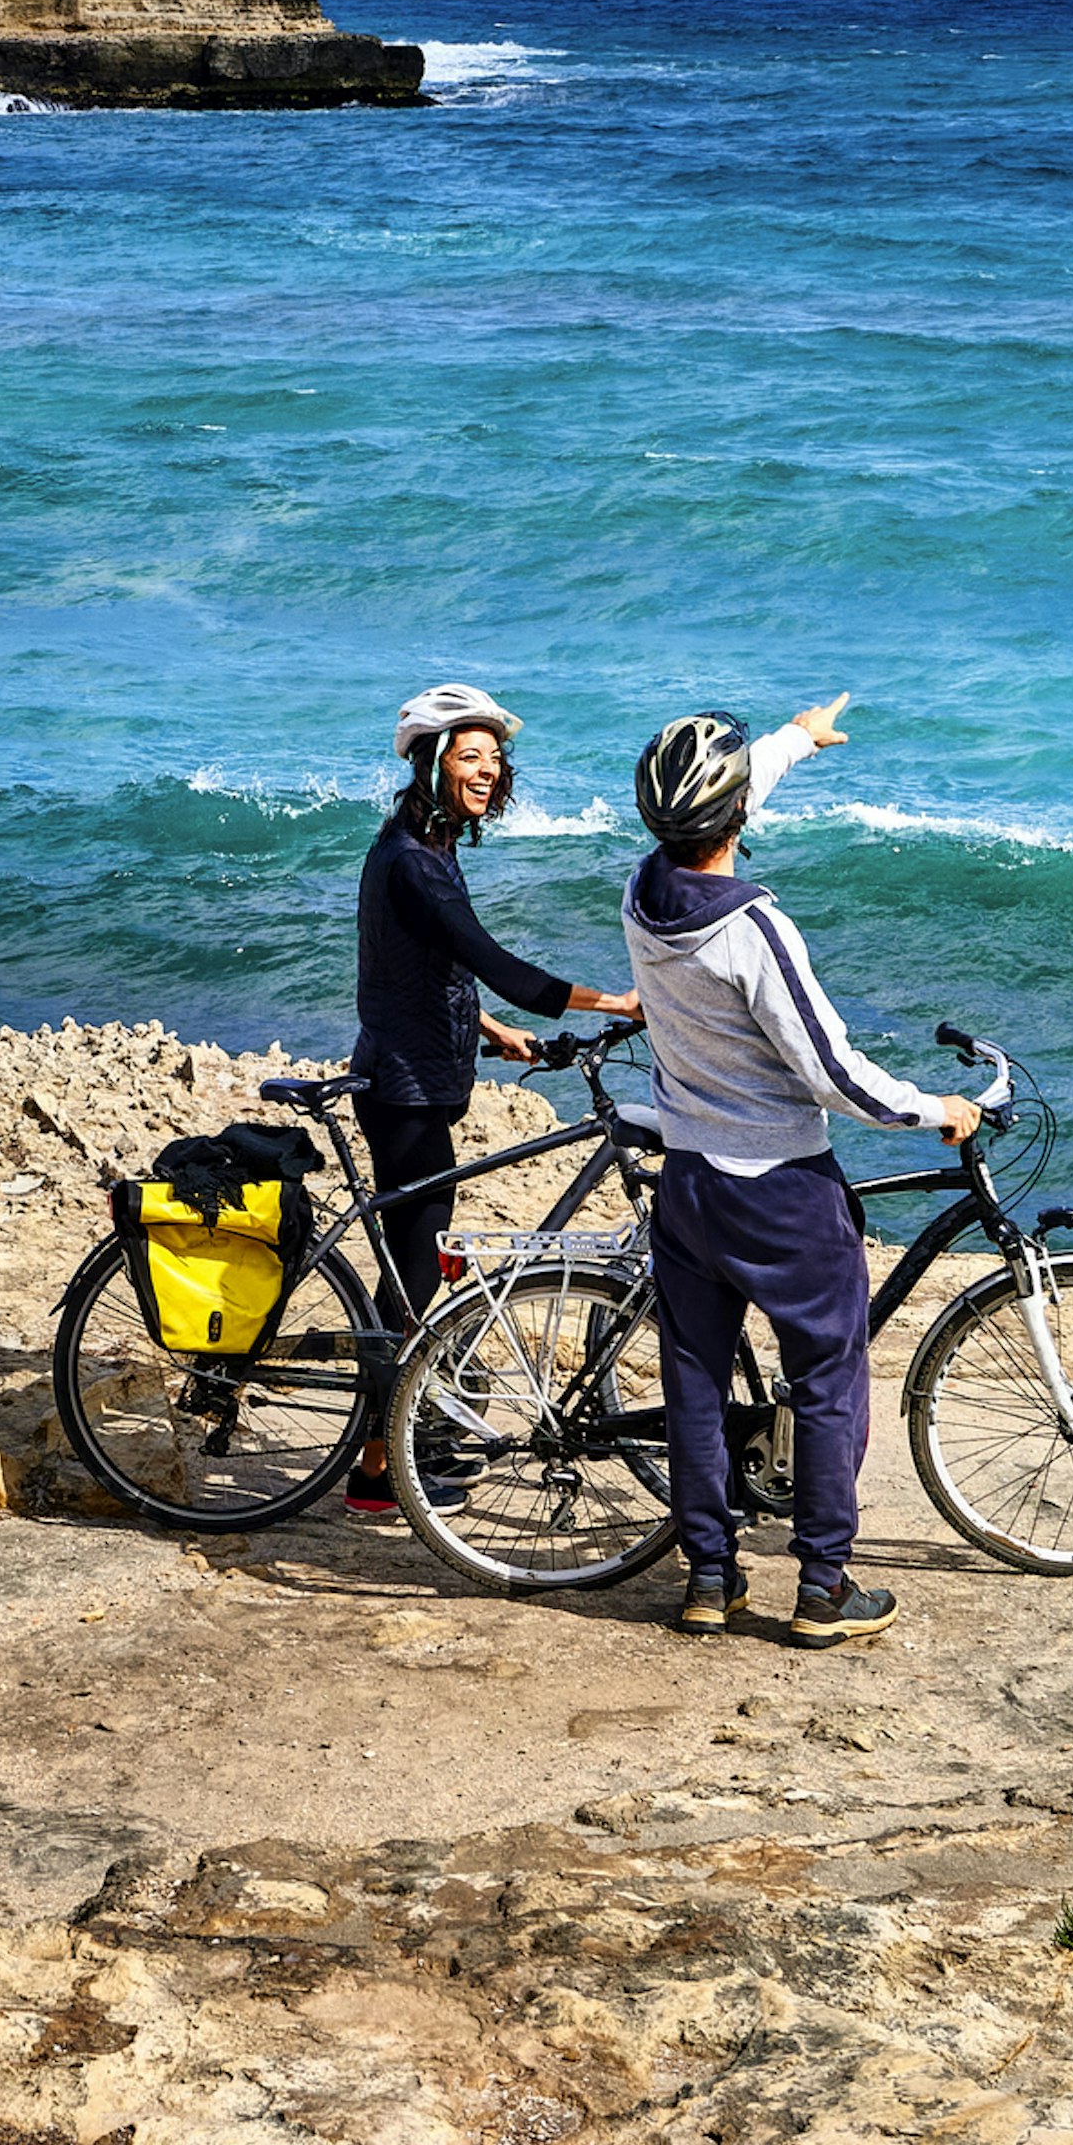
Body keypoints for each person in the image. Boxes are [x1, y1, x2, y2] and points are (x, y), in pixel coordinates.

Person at [621, 694, 978, 1644]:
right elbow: (831, 1073)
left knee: (694, 1378)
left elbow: (719, 810)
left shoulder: (641, 893)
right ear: (735, 818)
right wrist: (932, 1108)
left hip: (688, 1179)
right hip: (778, 1188)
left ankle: (709, 1577)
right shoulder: (755, 929)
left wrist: (792, 742)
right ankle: (823, 1584)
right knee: (826, 1374)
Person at [351, 684, 641, 1510]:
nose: (487, 769)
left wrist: (489, 1032)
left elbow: (415, 968)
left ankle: (388, 1448)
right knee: (411, 1279)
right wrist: (614, 1001)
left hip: (420, 1073)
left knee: (411, 1274)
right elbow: (489, 957)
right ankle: (375, 1470)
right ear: (434, 763)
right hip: (406, 1091)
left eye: (493, 757)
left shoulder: (421, 847)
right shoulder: (414, 861)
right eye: (469, 756)